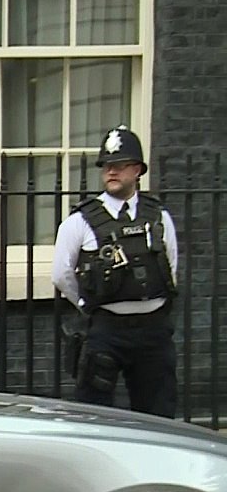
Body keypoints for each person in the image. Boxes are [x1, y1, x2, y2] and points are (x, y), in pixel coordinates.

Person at [51, 125, 179, 417]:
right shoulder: (80, 221)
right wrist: (87, 305)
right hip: (107, 329)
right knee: (94, 414)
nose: (111, 172)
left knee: (158, 414)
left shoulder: (158, 216)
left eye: (119, 166)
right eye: (107, 166)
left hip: (153, 330)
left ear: (137, 170)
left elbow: (170, 265)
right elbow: (61, 273)